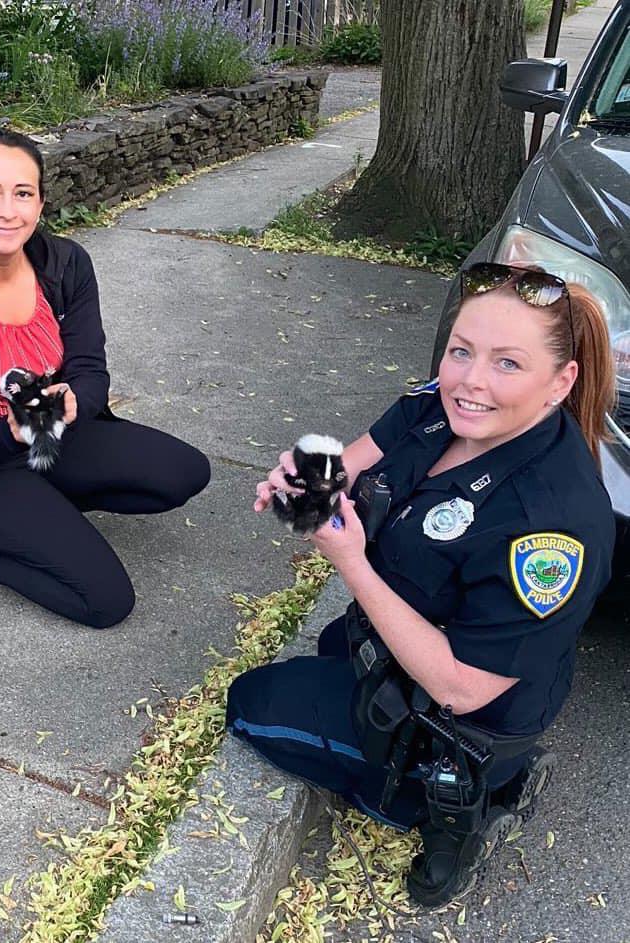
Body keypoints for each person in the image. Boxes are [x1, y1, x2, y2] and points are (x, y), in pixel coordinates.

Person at [226, 263, 616, 905]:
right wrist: (307, 481)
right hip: (401, 644)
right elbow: (352, 463)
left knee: (251, 706)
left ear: (561, 381)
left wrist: (350, 560)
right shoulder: (441, 405)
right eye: (463, 350)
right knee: (331, 653)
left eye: (507, 364)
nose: (471, 380)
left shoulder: (550, 528)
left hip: (463, 715)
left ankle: (453, 812)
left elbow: (459, 687)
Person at [0, 129, 210, 628]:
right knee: (106, 602)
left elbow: (91, 369)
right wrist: (14, 429)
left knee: (185, 472)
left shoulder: (66, 266)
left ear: (41, 203)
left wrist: (74, 402)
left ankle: (39, 513)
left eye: (23, 193)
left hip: (53, 433)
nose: (7, 211)